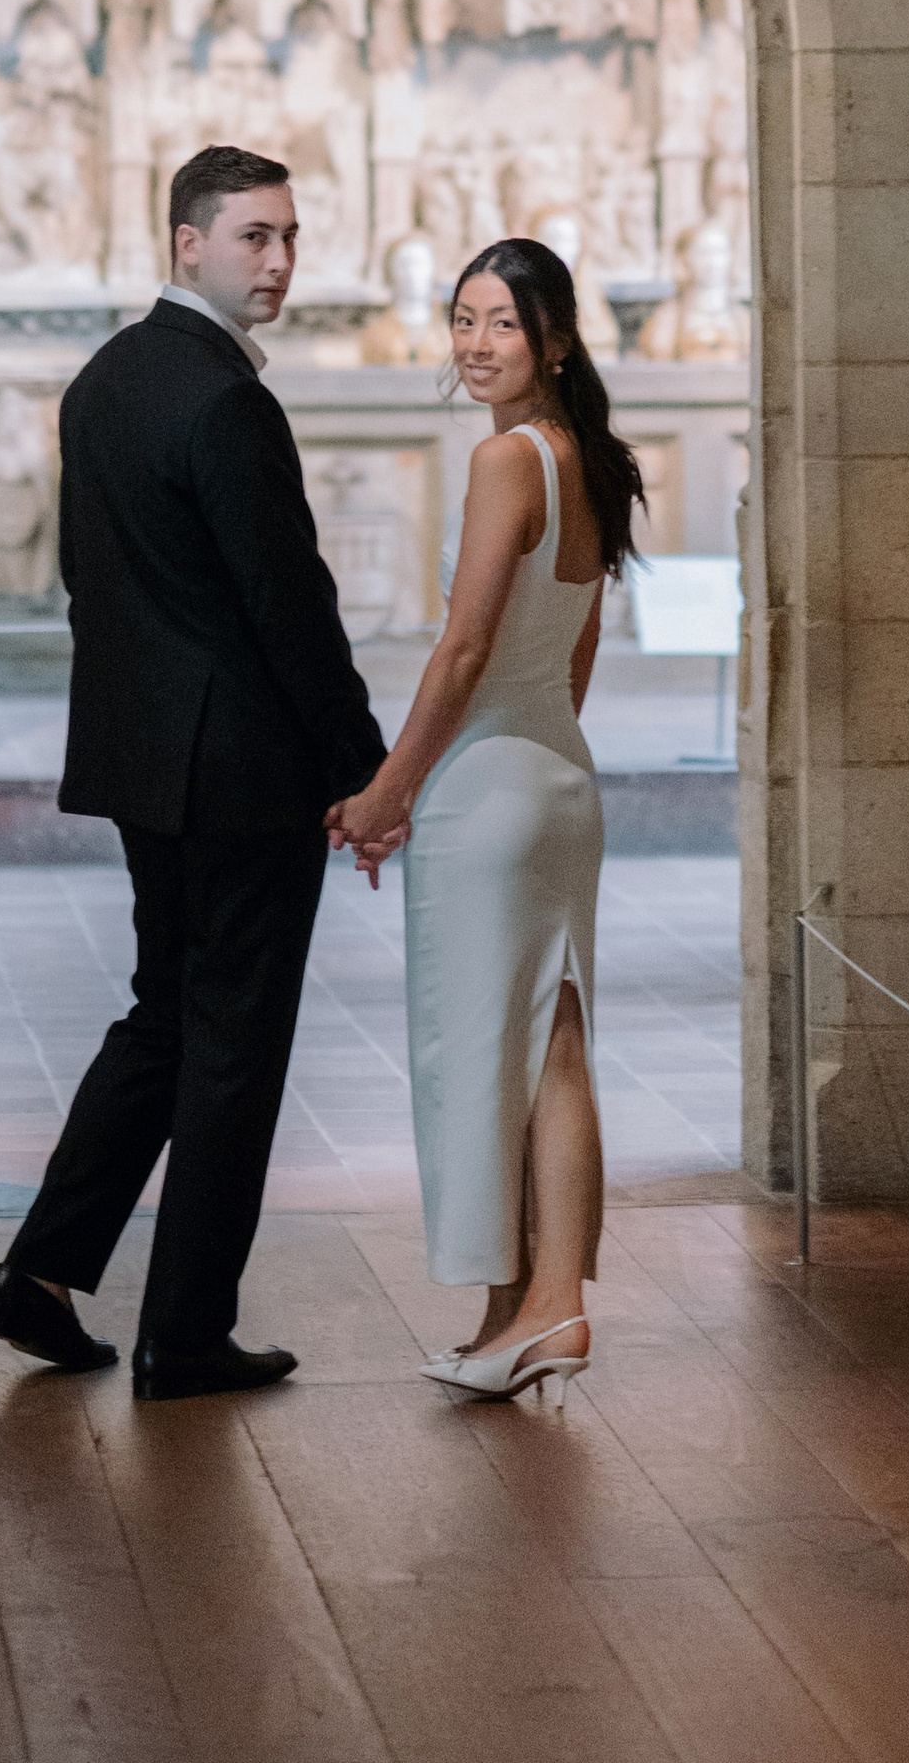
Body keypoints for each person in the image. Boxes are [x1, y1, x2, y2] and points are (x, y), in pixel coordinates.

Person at [0, 143, 383, 1402]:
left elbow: (97, 586)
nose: (279, 260)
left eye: (290, 236)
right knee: (230, 1047)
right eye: (253, 235)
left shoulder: (104, 381)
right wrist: (363, 766)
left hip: (152, 762)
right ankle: (185, 1330)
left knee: (166, 1020)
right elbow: (287, 607)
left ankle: (34, 1278)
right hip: (245, 771)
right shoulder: (223, 398)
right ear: (185, 242)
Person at [331, 235, 643, 1407]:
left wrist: (386, 792)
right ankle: (528, 1310)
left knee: (481, 1058)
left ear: (552, 340)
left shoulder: (508, 460)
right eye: (461, 319)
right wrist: (535, 743)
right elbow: (581, 644)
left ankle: (539, 1304)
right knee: (552, 1046)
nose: (474, 343)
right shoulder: (588, 458)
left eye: (500, 323)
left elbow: (461, 650)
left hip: (487, 789)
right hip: (559, 772)